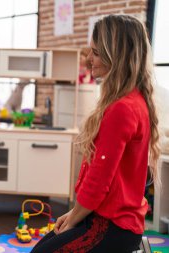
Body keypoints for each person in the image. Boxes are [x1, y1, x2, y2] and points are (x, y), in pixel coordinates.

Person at [31, 14, 160, 253]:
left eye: (97, 53)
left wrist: (73, 218)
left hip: (113, 225)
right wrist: (74, 214)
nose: (90, 59)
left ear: (117, 57)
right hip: (107, 217)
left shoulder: (122, 108)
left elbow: (99, 181)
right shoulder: (133, 100)